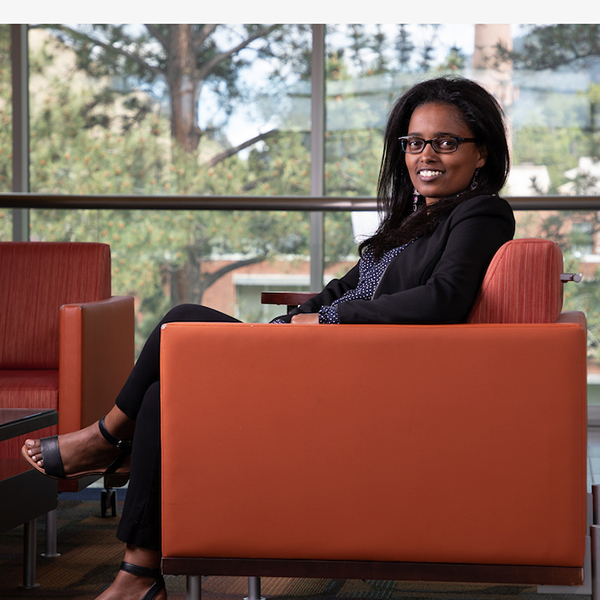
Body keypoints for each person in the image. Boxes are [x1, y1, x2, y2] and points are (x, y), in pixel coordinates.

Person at [22, 75, 515, 600]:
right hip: (313, 354)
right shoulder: (414, 218)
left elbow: (444, 298)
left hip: (353, 373)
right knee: (166, 387)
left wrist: (327, 323)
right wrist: (301, 317)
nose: (426, 155)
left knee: (177, 324)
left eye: (445, 142)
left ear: (480, 152)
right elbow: (347, 287)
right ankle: (138, 576)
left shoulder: (480, 214)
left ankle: (104, 440)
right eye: (415, 143)